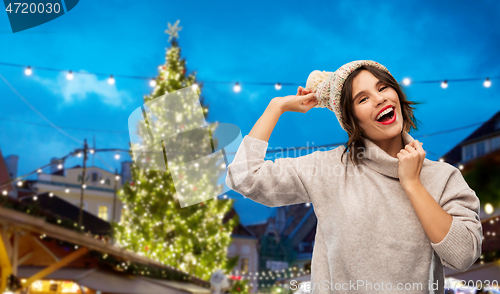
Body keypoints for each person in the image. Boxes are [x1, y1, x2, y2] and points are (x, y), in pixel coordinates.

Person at [225, 60, 482, 294]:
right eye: (362, 99)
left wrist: (413, 184)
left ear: (398, 95)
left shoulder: (443, 177)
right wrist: (276, 107)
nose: (380, 99)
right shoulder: (330, 169)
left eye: (383, 88)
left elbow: (463, 256)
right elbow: (244, 176)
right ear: (352, 122)